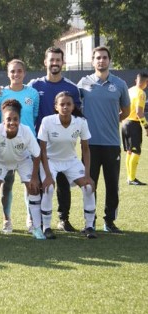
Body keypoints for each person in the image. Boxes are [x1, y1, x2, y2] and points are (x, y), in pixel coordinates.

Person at [28, 46, 82, 232]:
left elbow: (79, 115)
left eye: (58, 60)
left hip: (64, 144)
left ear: (63, 62)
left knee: (64, 182)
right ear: (45, 62)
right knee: (41, 182)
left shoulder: (71, 88)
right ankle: (40, 220)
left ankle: (63, 218)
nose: (55, 63)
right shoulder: (35, 86)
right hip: (40, 143)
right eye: (51, 60)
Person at [77, 46, 130, 233]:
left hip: (112, 143)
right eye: (98, 58)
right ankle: (89, 223)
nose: (101, 60)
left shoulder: (120, 84)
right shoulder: (83, 83)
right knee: (89, 184)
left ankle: (109, 221)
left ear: (109, 60)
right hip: (89, 145)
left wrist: (110, 121)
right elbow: (74, 107)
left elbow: (126, 111)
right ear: (93, 61)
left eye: (104, 57)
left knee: (112, 184)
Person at [38, 92, 97, 239]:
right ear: (56, 107)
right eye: (62, 104)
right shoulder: (47, 121)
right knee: (48, 188)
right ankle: (46, 227)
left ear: (73, 106)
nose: (65, 107)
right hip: (50, 160)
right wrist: (48, 175)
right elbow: (42, 151)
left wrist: (87, 176)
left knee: (88, 187)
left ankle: (89, 227)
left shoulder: (81, 122)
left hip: (71, 160)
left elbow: (85, 149)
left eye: (68, 104)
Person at [0, 99, 44, 240]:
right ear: (3, 120)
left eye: (15, 119)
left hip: (22, 161)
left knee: (34, 188)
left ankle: (36, 228)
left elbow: (37, 154)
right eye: (8, 119)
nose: (12, 122)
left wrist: (34, 177)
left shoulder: (26, 131)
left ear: (20, 119)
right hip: (1, 162)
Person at [0, 59, 39, 233]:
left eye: (19, 71)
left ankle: (30, 219)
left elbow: (33, 117)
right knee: (7, 184)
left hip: (27, 145)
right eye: (12, 71)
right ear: (8, 73)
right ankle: (7, 220)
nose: (16, 74)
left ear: (24, 73)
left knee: (30, 184)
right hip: (5, 146)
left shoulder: (32, 93)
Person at [122, 72, 148, 185]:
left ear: (136, 80)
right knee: (136, 151)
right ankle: (132, 179)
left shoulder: (129, 90)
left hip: (125, 123)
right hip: (133, 124)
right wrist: (146, 126)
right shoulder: (141, 93)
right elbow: (139, 112)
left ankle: (129, 177)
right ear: (146, 82)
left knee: (129, 151)